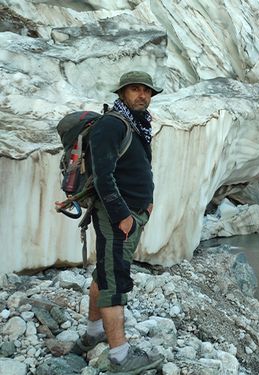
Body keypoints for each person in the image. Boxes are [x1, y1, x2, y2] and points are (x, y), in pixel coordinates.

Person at [72, 71, 163, 374]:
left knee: (105, 271)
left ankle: (94, 331)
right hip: (117, 217)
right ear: (123, 93)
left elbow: (133, 169)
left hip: (133, 213)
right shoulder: (111, 125)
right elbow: (103, 176)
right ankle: (120, 356)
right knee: (114, 280)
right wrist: (122, 214)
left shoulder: (136, 124)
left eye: (146, 91)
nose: (142, 95)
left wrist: (146, 205)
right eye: (135, 90)